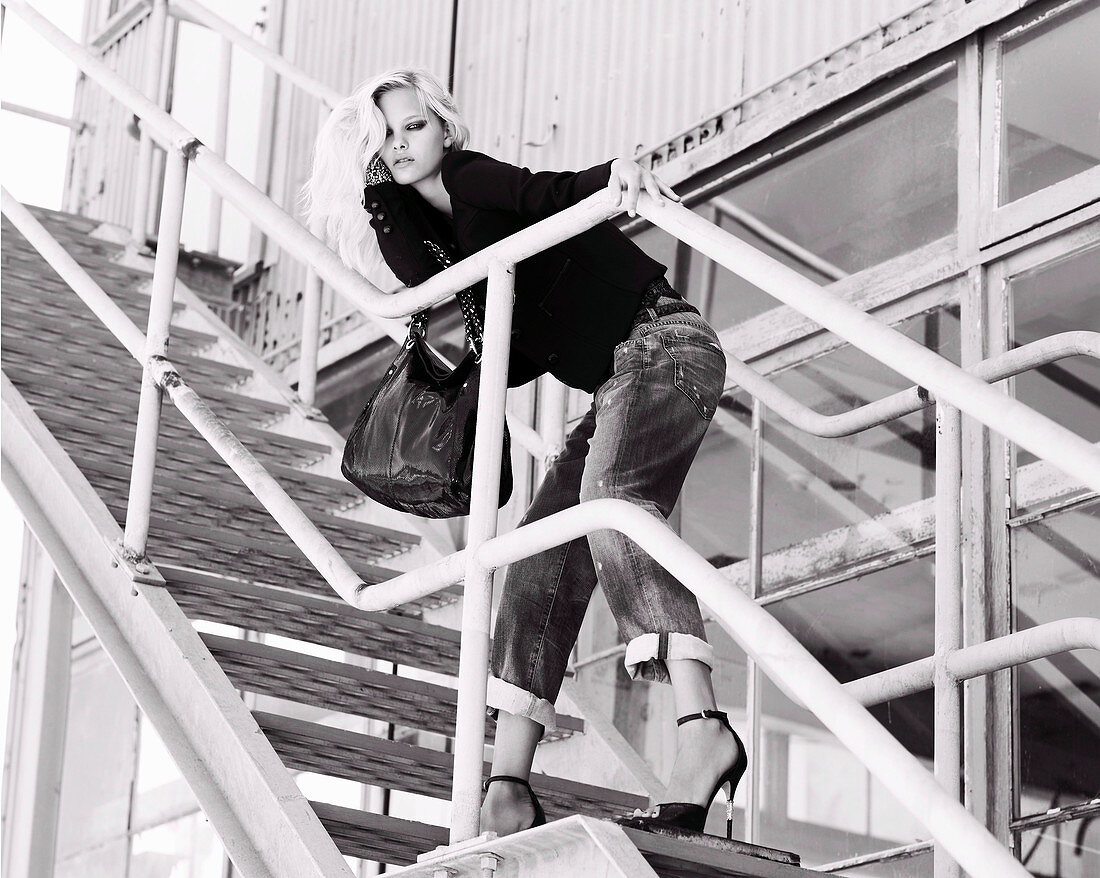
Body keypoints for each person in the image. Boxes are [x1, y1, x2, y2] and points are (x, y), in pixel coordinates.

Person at [303, 68, 745, 839]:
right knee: (538, 560)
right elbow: (426, 288)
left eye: (413, 126)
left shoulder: (476, 181)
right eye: (386, 136)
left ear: (446, 129)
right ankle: (507, 783)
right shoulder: (444, 253)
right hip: (617, 377)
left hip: (665, 345)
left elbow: (552, 192)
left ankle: (702, 726)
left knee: (614, 510)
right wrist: (378, 194)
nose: (403, 144)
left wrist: (616, 177)